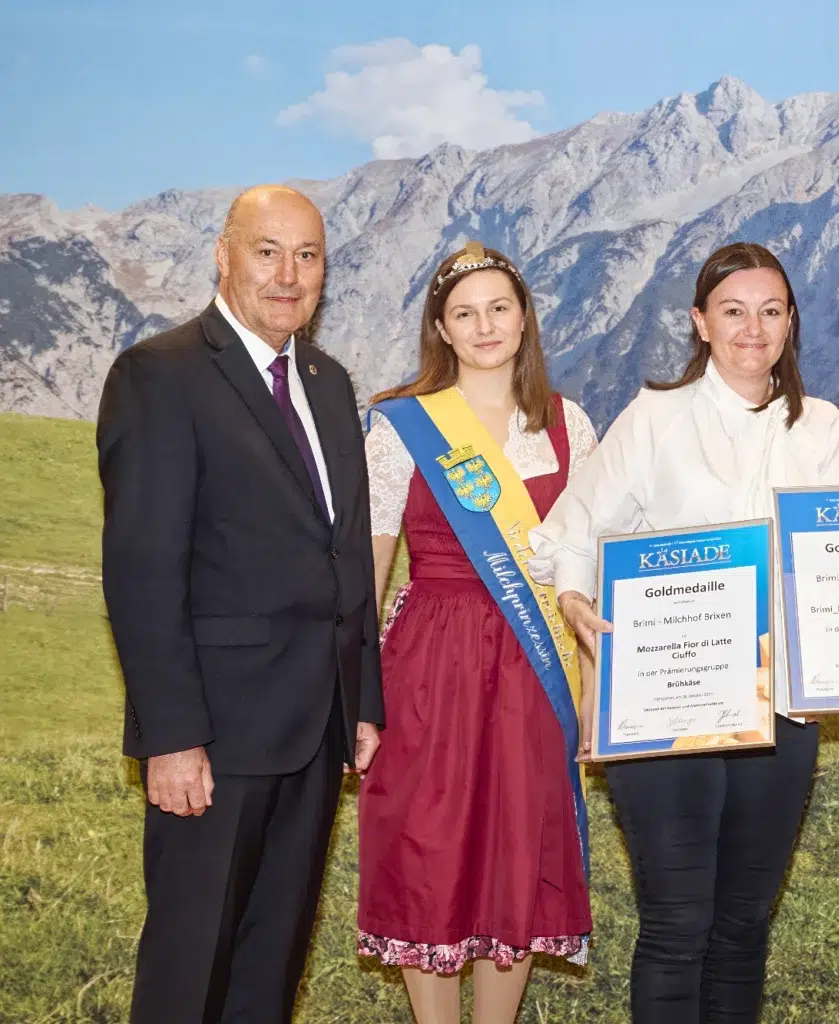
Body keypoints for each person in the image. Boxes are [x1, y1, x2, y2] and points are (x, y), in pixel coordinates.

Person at [530, 241, 839, 1023]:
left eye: (771, 310)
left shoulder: (826, 431)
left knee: (745, 929)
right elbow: (573, 535)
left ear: (790, 323)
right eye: (733, 310)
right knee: (678, 924)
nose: (754, 328)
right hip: (663, 708)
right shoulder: (654, 416)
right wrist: (579, 604)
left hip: (781, 714)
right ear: (700, 322)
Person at [96, 185, 384, 1023]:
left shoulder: (330, 385)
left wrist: (361, 699)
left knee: (271, 967)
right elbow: (142, 573)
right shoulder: (160, 375)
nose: (289, 275)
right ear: (223, 256)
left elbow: (348, 554)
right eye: (268, 251)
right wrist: (174, 738)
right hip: (215, 744)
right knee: (191, 975)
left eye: (308, 256)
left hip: (315, 730)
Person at [355, 242, 597, 1023]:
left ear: (524, 319)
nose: (485, 325)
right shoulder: (402, 426)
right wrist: (356, 690)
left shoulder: (569, 424)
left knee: (515, 855)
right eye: (465, 313)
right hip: (431, 661)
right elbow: (369, 567)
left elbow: (585, 565)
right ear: (442, 328)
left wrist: (596, 687)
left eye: (499, 308)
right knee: (427, 846)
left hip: (536, 665)